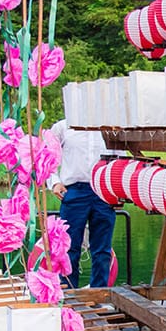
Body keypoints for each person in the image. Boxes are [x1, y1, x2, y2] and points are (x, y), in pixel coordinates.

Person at [48, 121, 115, 288]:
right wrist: (55, 182)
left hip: (103, 189)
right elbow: (48, 156)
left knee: (102, 249)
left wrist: (117, 190)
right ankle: (69, 293)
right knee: (69, 246)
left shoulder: (109, 126)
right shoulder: (62, 127)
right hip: (74, 190)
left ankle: (100, 293)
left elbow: (118, 158)